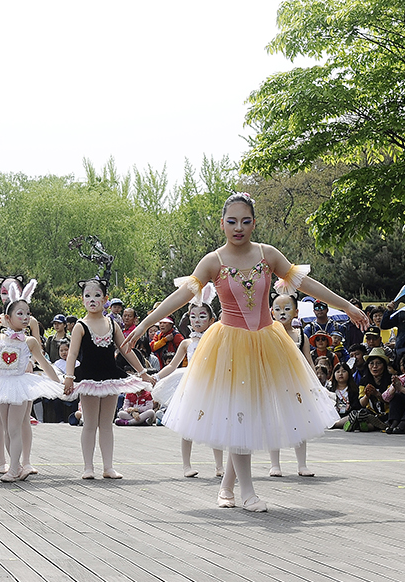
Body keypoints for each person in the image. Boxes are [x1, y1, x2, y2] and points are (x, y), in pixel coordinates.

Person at [125, 193, 364, 512]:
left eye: (246, 221)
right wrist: (144, 324)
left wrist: (346, 305)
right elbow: (181, 295)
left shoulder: (268, 255)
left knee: (249, 416)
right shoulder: (213, 261)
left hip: (267, 342)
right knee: (241, 415)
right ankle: (247, 491)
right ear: (222, 223)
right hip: (230, 346)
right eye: (232, 221)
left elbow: (307, 284)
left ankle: (226, 487)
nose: (239, 227)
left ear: (254, 223)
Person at [61, 237, 154, 480]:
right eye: (87, 295)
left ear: (105, 299)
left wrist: (143, 372)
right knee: (90, 423)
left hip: (111, 377)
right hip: (89, 378)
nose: (92, 299)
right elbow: (72, 353)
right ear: (82, 299)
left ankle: (108, 466)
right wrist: (69, 377)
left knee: (107, 423)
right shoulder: (80, 326)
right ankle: (88, 467)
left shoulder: (112, 324)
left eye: (97, 295)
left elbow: (126, 349)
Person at [0, 282, 64, 482]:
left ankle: (14, 468)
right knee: (4, 427)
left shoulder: (30, 342)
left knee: (14, 426)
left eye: (27, 313)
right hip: (1, 383)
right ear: (7, 318)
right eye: (20, 313)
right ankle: (15, 465)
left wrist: (59, 383)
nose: (25, 317)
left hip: (20, 385)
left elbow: (44, 364)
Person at [151, 288, 224, 478]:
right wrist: (157, 377)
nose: (197, 320)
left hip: (212, 385)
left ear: (211, 320)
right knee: (187, 426)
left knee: (215, 424)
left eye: (202, 316)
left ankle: (219, 466)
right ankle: (186, 465)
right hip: (191, 385)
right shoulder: (186, 343)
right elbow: (173, 366)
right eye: (193, 316)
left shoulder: (217, 340)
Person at [266, 292, 315, 477]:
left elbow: (308, 360)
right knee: (274, 422)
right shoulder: (268, 335)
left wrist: (314, 381)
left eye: (287, 309)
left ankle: (302, 464)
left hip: (297, 383)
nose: (282, 313)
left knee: (299, 421)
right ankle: (274, 464)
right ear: (271, 312)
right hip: (274, 382)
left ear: (296, 312)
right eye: (278, 309)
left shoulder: (301, 334)